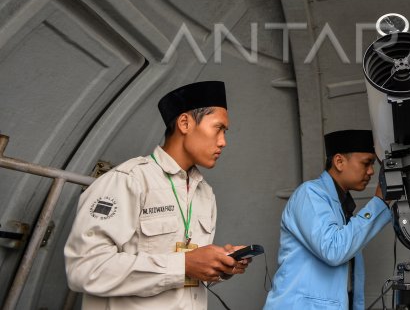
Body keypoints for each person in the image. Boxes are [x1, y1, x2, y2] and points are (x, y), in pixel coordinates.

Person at [64, 80, 251, 309]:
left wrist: (218, 266)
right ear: (185, 123)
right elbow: (84, 270)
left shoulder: (205, 193)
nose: (223, 142)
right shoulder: (128, 180)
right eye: (218, 128)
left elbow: (187, 279)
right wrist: (182, 265)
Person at [264, 129, 391, 310]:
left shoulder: (341, 206)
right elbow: (333, 249)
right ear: (339, 161)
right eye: (366, 163)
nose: (371, 171)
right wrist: (378, 203)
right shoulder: (310, 194)